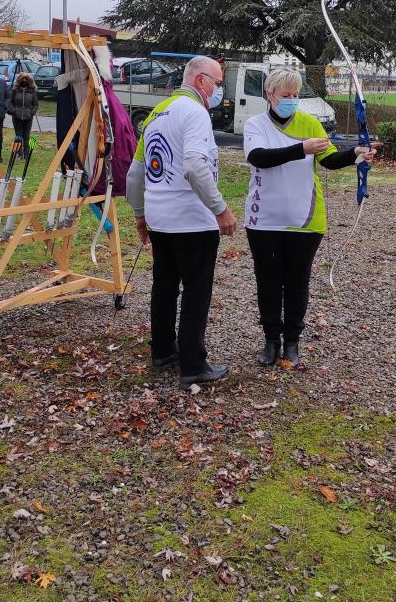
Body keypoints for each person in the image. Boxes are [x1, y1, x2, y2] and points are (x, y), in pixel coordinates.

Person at [244, 67, 378, 369]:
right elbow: (259, 158)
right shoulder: (255, 124)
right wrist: (299, 148)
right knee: (268, 281)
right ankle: (270, 340)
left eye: (295, 95)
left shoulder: (310, 124)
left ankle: (292, 341)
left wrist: (355, 153)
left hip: (305, 218)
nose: (292, 100)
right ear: (270, 94)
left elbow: (328, 159)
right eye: (285, 95)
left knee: (296, 281)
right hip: (263, 217)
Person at [126, 55, 237, 388]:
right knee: (196, 291)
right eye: (218, 83)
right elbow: (193, 165)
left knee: (164, 287)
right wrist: (220, 209)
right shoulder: (195, 113)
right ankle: (193, 363)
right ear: (201, 80)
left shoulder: (158, 114)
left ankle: (162, 349)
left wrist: (140, 213)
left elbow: (135, 173)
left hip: (160, 218)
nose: (219, 90)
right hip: (192, 220)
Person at [8, 69, 39, 158]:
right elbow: (10, 102)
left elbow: (35, 104)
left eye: (26, 80)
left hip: (28, 116)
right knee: (18, 135)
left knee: (26, 136)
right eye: (22, 80)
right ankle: (19, 152)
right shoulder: (15, 91)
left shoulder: (32, 91)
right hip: (16, 116)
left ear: (29, 81)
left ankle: (26, 153)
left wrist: (32, 112)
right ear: (19, 81)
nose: (24, 82)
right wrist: (13, 110)